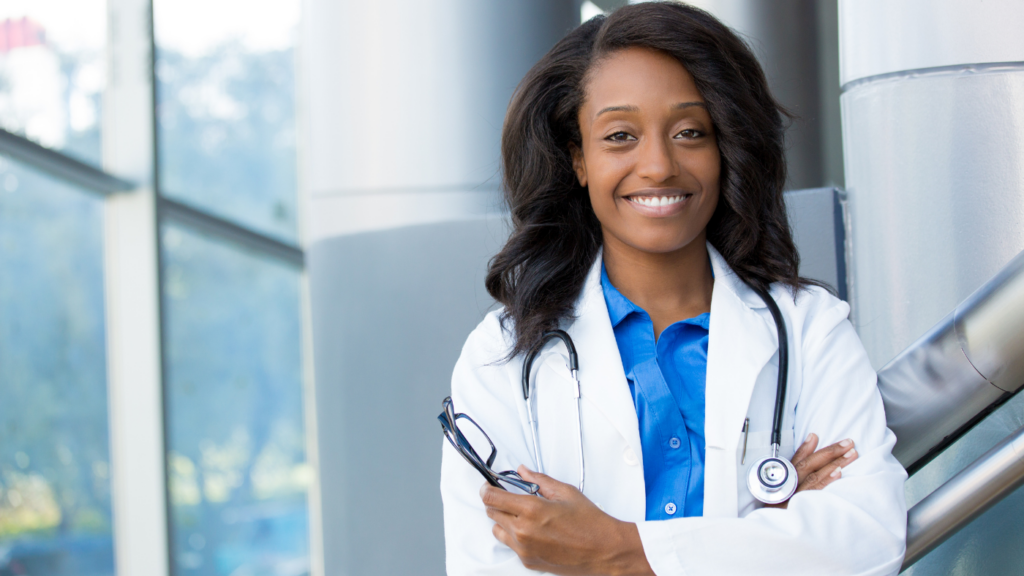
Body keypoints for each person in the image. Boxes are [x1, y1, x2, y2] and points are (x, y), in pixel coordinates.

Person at [440, 3, 907, 574]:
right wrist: (767, 539)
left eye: (690, 132)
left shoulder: (808, 329)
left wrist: (617, 551)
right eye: (620, 136)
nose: (659, 165)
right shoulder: (503, 360)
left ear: (724, 147)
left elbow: (868, 538)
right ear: (578, 159)